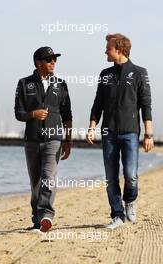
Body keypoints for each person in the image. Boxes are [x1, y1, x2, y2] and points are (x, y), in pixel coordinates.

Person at [86, 33, 154, 229]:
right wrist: (92, 127)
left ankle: (130, 200)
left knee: (131, 175)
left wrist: (148, 134)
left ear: (119, 49)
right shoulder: (105, 74)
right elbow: (97, 104)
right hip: (108, 133)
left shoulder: (140, 73)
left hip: (130, 132)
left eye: (108, 47)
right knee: (111, 177)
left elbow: (146, 104)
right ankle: (117, 215)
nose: (105, 51)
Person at [15, 46, 72, 232]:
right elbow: (19, 113)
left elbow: (67, 115)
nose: (53, 62)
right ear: (38, 63)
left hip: (54, 140)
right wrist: (33, 114)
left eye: (55, 59)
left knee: (48, 178)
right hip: (32, 140)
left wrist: (68, 140)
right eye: (49, 60)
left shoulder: (61, 84)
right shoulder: (24, 83)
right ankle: (37, 220)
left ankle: (47, 215)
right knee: (36, 183)